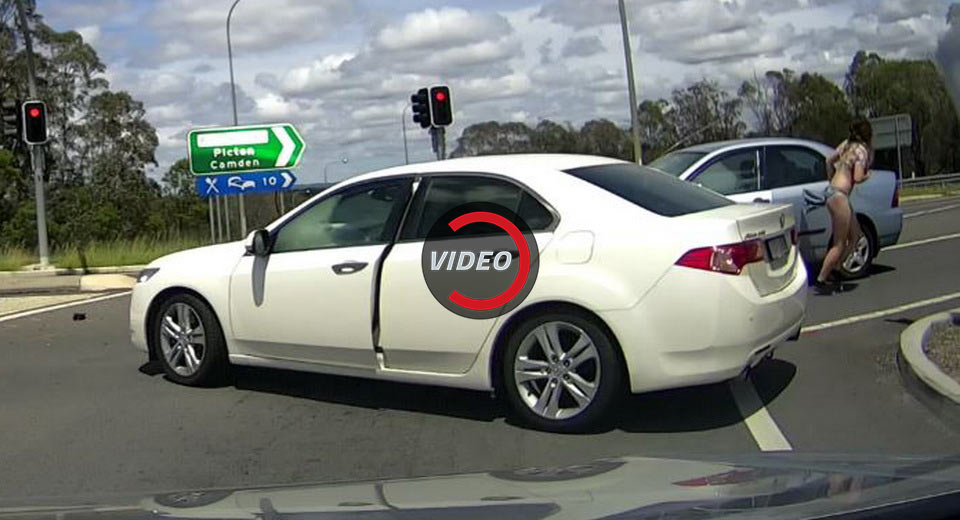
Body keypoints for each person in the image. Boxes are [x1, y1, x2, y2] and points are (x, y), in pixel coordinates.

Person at [814, 119, 873, 294]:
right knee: (839, 243)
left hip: (834, 192)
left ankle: (837, 267)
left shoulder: (846, 145)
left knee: (855, 236)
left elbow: (828, 160)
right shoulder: (861, 151)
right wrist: (868, 175)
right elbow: (858, 177)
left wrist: (831, 178)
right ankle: (822, 277)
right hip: (840, 196)